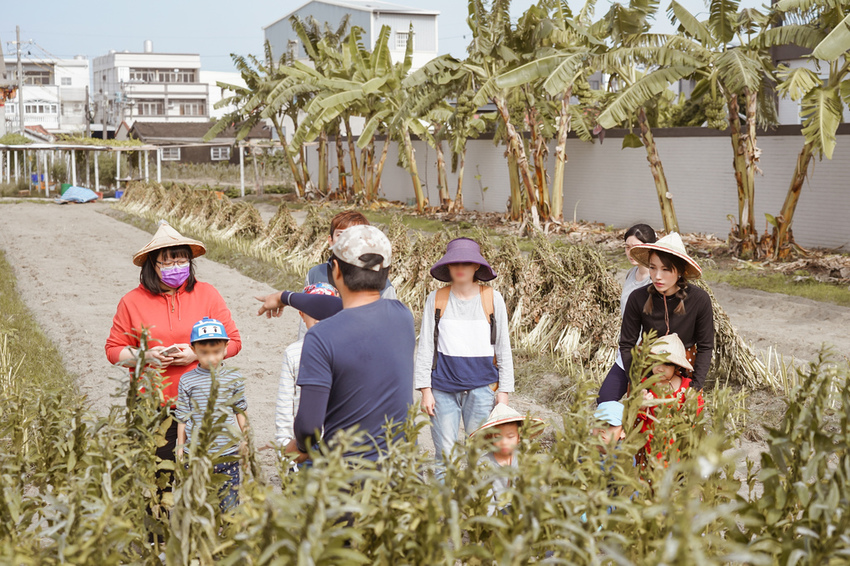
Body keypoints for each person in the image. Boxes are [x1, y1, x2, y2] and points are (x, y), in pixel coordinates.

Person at [256, 225, 414, 463]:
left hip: (346, 476)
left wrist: (297, 447)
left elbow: (309, 428)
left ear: (336, 270)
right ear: (386, 272)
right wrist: (284, 297)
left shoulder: (321, 337)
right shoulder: (402, 316)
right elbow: (337, 307)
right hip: (398, 472)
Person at [105, 221, 241, 469]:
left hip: (203, 403)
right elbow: (114, 351)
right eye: (167, 262)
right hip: (153, 406)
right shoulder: (131, 302)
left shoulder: (207, 294)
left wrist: (196, 354)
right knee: (159, 480)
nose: (176, 267)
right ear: (152, 265)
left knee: (208, 479)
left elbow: (233, 342)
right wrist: (145, 356)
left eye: (181, 261)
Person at [413, 237, 514, 478]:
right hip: (443, 389)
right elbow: (426, 344)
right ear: (447, 267)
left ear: (477, 267)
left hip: (482, 389)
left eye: (466, 263)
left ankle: (476, 510)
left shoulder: (492, 298)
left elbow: (503, 347)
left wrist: (504, 393)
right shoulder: (436, 299)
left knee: (479, 455)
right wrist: (425, 389)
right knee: (445, 456)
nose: (460, 268)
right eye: (454, 263)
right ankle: (444, 512)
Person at [598, 232, 714, 403]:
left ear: (680, 271)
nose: (657, 276)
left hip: (683, 364)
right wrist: (636, 383)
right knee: (608, 401)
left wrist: (695, 386)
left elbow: (705, 346)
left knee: (678, 418)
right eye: (653, 268)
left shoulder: (699, 299)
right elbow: (627, 343)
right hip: (647, 362)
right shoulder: (638, 298)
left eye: (666, 269)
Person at [174, 317, 247, 511]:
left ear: (226, 347)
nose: (211, 358)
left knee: (230, 506)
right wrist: (180, 450)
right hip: (196, 454)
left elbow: (240, 409)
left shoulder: (234, 377)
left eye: (216, 352)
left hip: (227, 453)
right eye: (204, 353)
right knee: (197, 507)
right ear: (193, 349)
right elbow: (182, 415)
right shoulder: (187, 380)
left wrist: (247, 438)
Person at [298, 211, 397, 339]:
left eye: (355, 235)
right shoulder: (315, 274)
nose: (346, 241)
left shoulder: (382, 285)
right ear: (331, 240)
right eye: (340, 235)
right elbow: (305, 321)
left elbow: (390, 331)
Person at [596, 224, 657, 405]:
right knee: (605, 400)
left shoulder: (656, 281)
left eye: (635, 248)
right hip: (627, 352)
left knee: (642, 407)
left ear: (649, 247)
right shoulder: (631, 274)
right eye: (627, 247)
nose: (630, 252)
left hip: (649, 356)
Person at [275, 282, 339, 450]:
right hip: (303, 444)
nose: (320, 316)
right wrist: (285, 447)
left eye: (327, 311)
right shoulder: (293, 353)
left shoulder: (345, 351)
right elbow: (285, 404)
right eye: (314, 310)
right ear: (302, 314)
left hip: (338, 444)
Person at [636, 333, 705, 468]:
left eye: (666, 364)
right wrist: (642, 405)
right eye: (656, 362)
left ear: (677, 366)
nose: (660, 368)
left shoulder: (687, 387)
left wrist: (692, 404)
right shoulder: (646, 385)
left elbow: (697, 415)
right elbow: (636, 414)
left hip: (680, 444)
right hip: (655, 445)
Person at [469, 403, 544, 515]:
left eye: (510, 437)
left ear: (519, 436)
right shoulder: (483, 463)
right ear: (490, 437)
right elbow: (486, 502)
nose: (504, 443)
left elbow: (539, 491)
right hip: (497, 514)